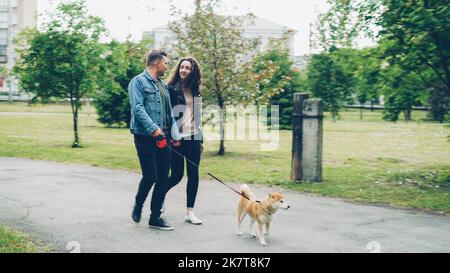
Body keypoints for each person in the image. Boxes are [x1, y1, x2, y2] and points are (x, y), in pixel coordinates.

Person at [128, 50, 181, 231]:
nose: (167, 66)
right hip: (144, 137)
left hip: (163, 137)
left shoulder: (163, 86)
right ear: (157, 62)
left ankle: (155, 216)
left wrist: (174, 135)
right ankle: (138, 204)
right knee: (151, 175)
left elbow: (168, 114)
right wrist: (153, 129)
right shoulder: (138, 82)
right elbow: (138, 108)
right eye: (165, 63)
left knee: (163, 178)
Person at [165, 57, 204, 225]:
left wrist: (200, 140)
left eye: (188, 68)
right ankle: (158, 197)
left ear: (193, 71)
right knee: (177, 175)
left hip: (194, 136)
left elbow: (197, 117)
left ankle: (190, 212)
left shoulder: (196, 90)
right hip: (178, 139)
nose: (184, 70)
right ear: (178, 69)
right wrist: (173, 137)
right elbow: (168, 115)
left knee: (194, 175)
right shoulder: (171, 89)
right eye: (182, 67)